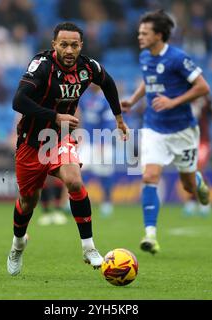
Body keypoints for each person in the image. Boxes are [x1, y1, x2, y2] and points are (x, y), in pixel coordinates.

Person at [7, 22, 129, 276]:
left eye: (74, 44)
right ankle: (18, 244)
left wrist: (118, 117)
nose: (69, 49)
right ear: (54, 45)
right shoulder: (41, 66)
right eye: (63, 44)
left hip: (59, 138)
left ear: (81, 46)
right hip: (31, 142)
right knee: (29, 201)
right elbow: (18, 101)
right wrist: (56, 116)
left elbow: (108, 83)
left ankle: (88, 247)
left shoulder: (88, 67)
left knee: (74, 181)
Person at [121, 10, 211, 255]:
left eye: (144, 33)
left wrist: (174, 102)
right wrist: (133, 99)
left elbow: (203, 87)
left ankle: (198, 181)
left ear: (159, 35)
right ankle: (150, 235)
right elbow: (148, 80)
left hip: (182, 131)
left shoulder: (178, 58)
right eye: (139, 32)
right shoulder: (144, 57)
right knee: (149, 176)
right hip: (154, 128)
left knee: (189, 187)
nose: (139, 36)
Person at [183, 94, 212, 217]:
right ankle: (194, 202)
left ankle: (202, 203)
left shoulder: (207, 99)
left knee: (198, 170)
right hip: (187, 141)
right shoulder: (183, 96)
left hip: (203, 140)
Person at [78, 84, 116, 217]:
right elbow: (80, 117)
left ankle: (107, 202)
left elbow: (109, 123)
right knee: (78, 170)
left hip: (102, 142)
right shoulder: (85, 98)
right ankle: (77, 201)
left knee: (104, 173)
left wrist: (103, 141)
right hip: (87, 141)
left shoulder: (106, 99)